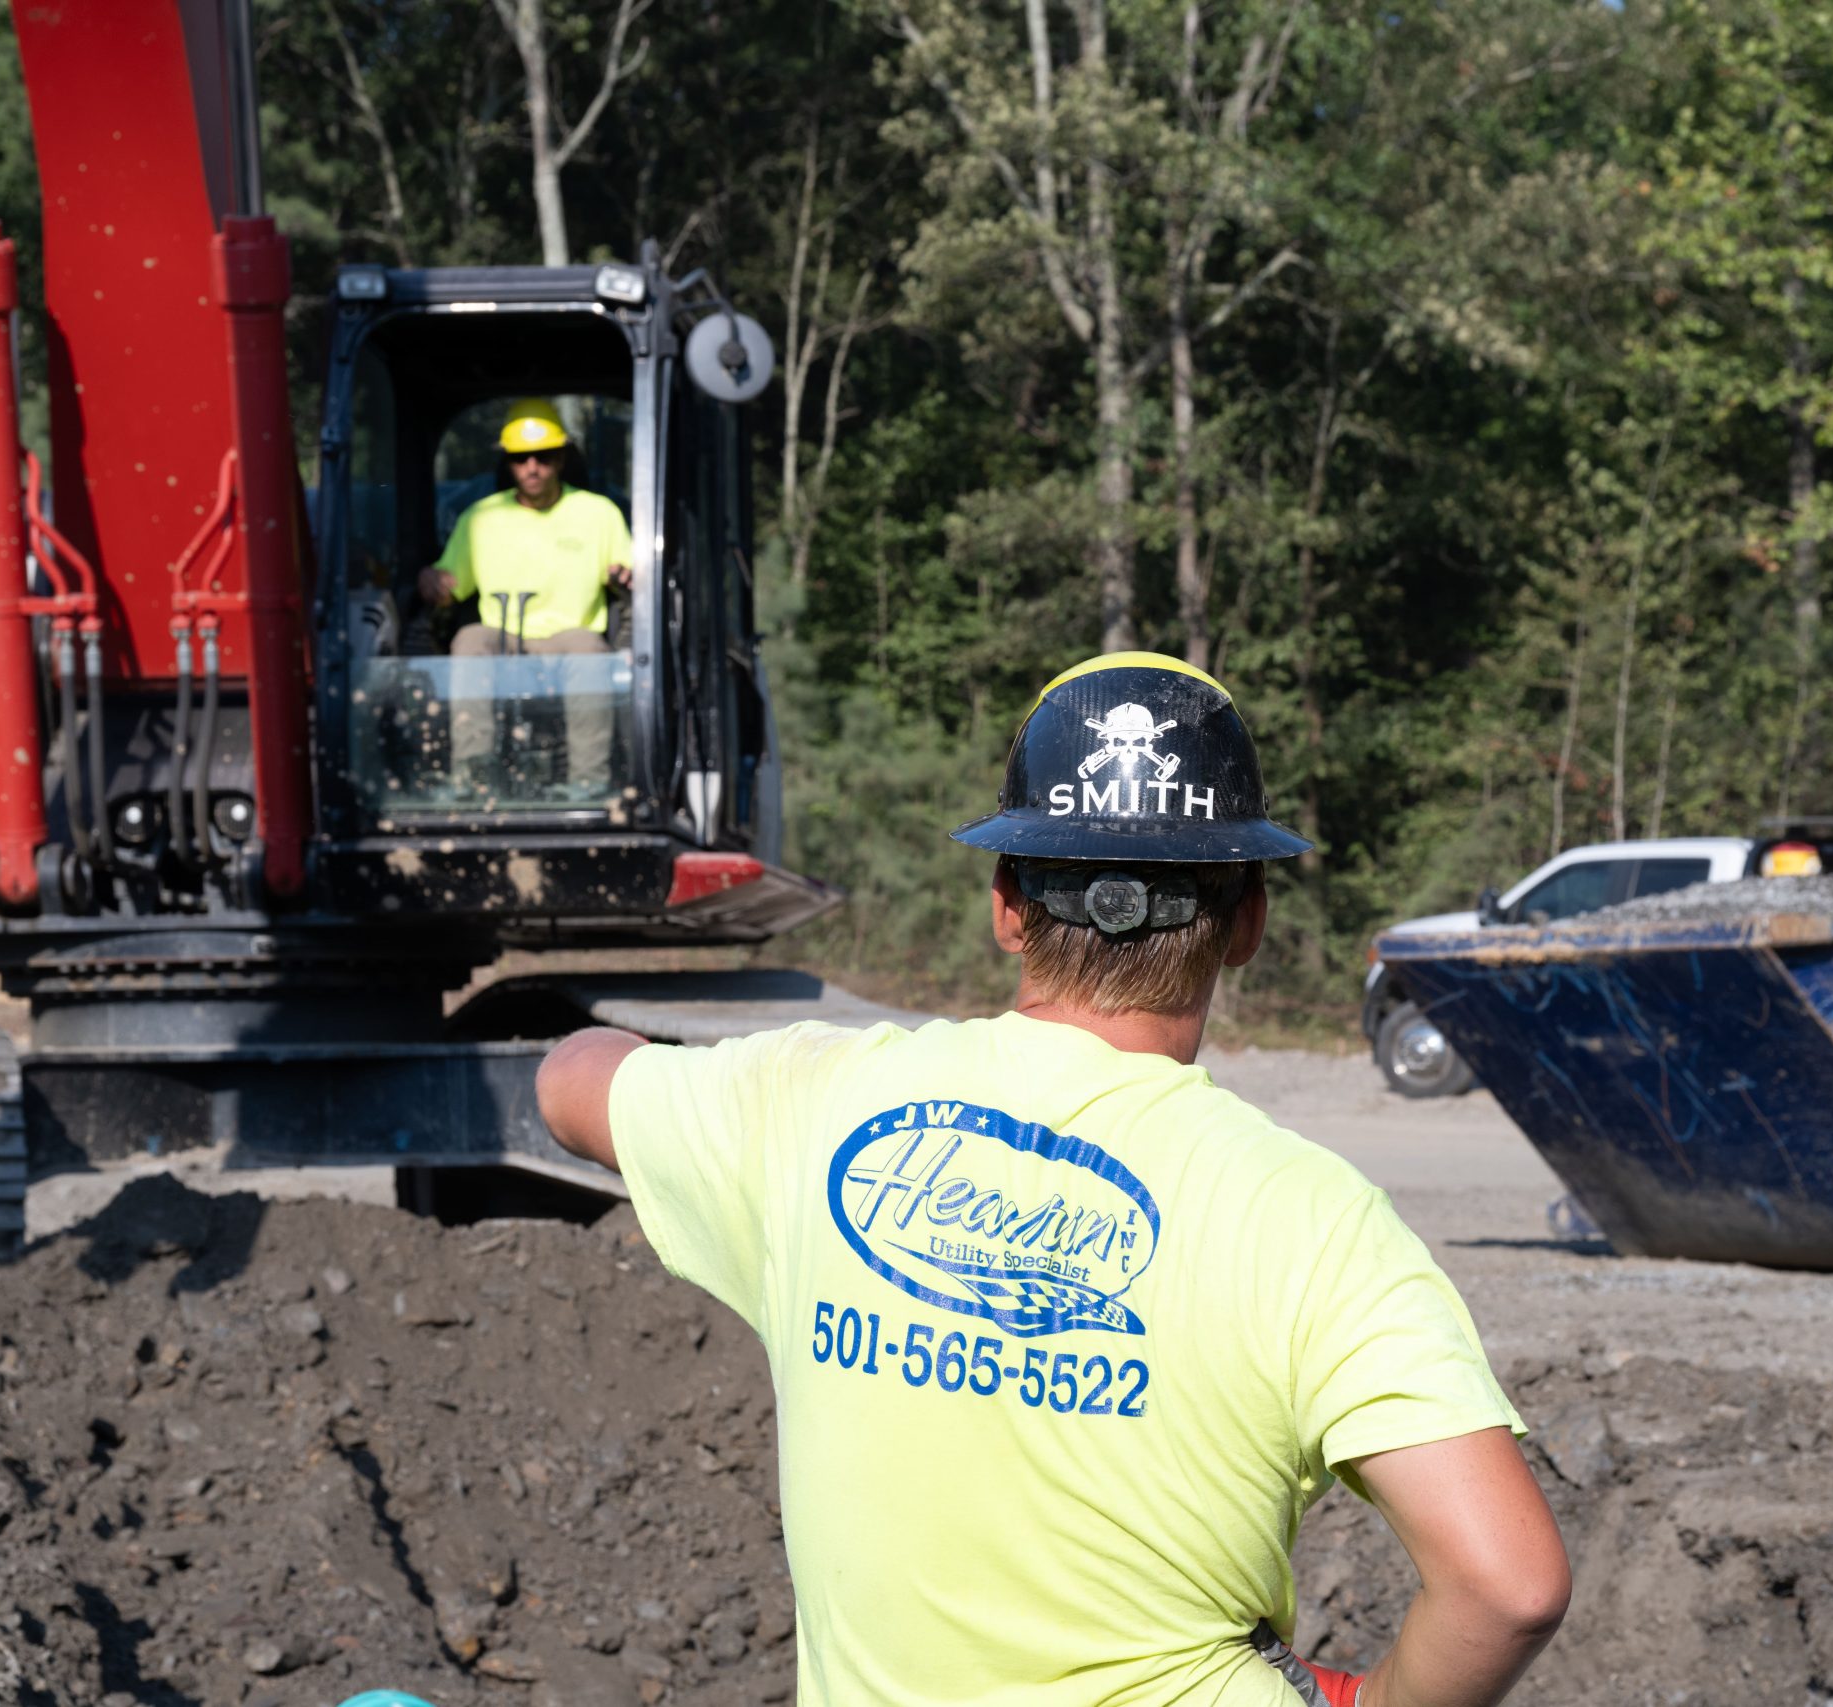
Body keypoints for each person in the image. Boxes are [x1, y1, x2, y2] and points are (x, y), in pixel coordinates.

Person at [536, 652, 1571, 1705]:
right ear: (1248, 923)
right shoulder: (1314, 1219)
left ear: (1006, 906)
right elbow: (1508, 1585)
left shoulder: (814, 1103)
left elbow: (571, 1081)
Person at [415, 397, 633, 792]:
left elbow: (627, 574)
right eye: (520, 458)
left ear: (561, 459)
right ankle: (473, 777)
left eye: (544, 456)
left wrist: (625, 577)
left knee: (588, 650)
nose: (532, 467)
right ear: (508, 463)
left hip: (570, 637)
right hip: (503, 637)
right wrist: (434, 584)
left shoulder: (599, 513)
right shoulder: (480, 517)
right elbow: (451, 587)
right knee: (469, 640)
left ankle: (588, 782)